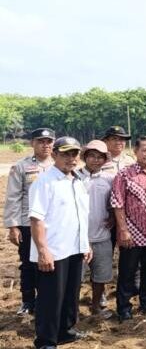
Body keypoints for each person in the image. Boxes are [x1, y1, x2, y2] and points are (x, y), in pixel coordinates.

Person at [29, 136, 91, 348]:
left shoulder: (77, 181)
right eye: (65, 154)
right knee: (50, 298)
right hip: (53, 251)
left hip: (74, 248)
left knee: (70, 294)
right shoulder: (44, 182)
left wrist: (86, 244)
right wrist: (43, 250)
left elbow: (80, 216)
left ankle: (66, 331)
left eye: (74, 154)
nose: (70, 158)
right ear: (54, 154)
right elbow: (36, 219)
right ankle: (46, 340)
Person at [110, 136, 146, 321]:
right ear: (136, 151)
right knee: (127, 271)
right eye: (144, 150)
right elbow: (117, 203)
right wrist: (123, 229)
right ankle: (124, 308)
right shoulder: (124, 174)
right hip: (131, 234)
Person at [4, 127, 55, 316]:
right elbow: (13, 197)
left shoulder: (59, 165)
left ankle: (46, 298)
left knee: (50, 262)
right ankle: (27, 301)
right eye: (41, 141)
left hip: (52, 224)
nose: (45, 145)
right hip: (27, 224)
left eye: (49, 142)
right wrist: (13, 226)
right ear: (32, 143)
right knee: (27, 264)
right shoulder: (21, 166)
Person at [76, 140, 115, 320]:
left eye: (100, 157)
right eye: (92, 156)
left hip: (102, 236)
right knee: (75, 277)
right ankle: (72, 308)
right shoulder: (74, 177)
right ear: (85, 157)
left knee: (101, 275)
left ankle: (95, 306)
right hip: (77, 239)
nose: (96, 160)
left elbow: (115, 204)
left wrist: (113, 217)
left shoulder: (110, 179)